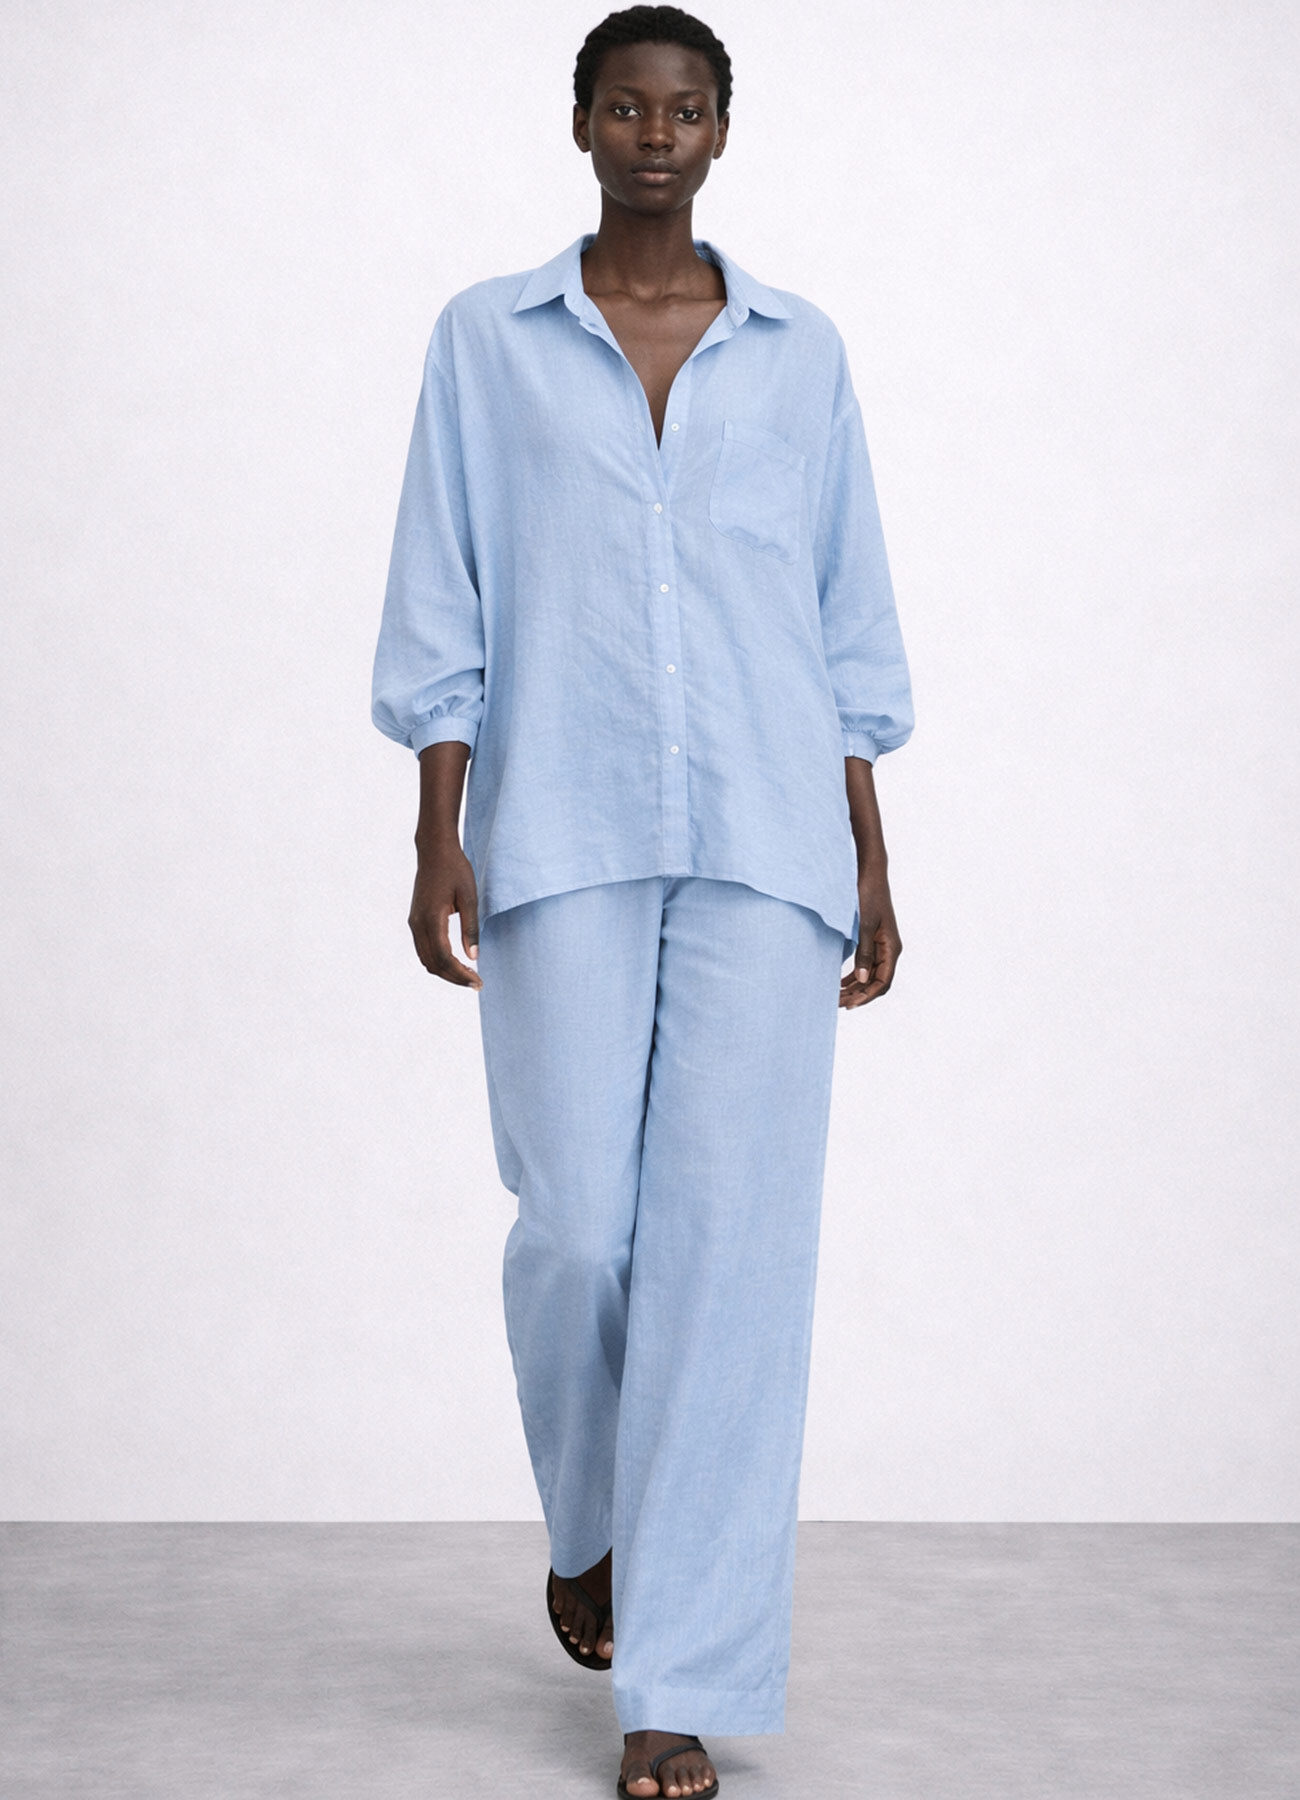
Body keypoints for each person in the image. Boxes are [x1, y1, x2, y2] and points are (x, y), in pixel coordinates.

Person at [370, 7, 914, 1795]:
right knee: (581, 1225)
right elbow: (442, 589)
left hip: (771, 837)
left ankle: (675, 1675)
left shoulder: (802, 354)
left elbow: (842, 611)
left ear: (723, 131)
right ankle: (592, 1521)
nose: (656, 134)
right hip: (558, 827)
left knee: (731, 1260)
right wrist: (438, 827)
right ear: (584, 124)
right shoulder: (488, 341)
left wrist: (870, 849)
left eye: (686, 108)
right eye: (627, 105)